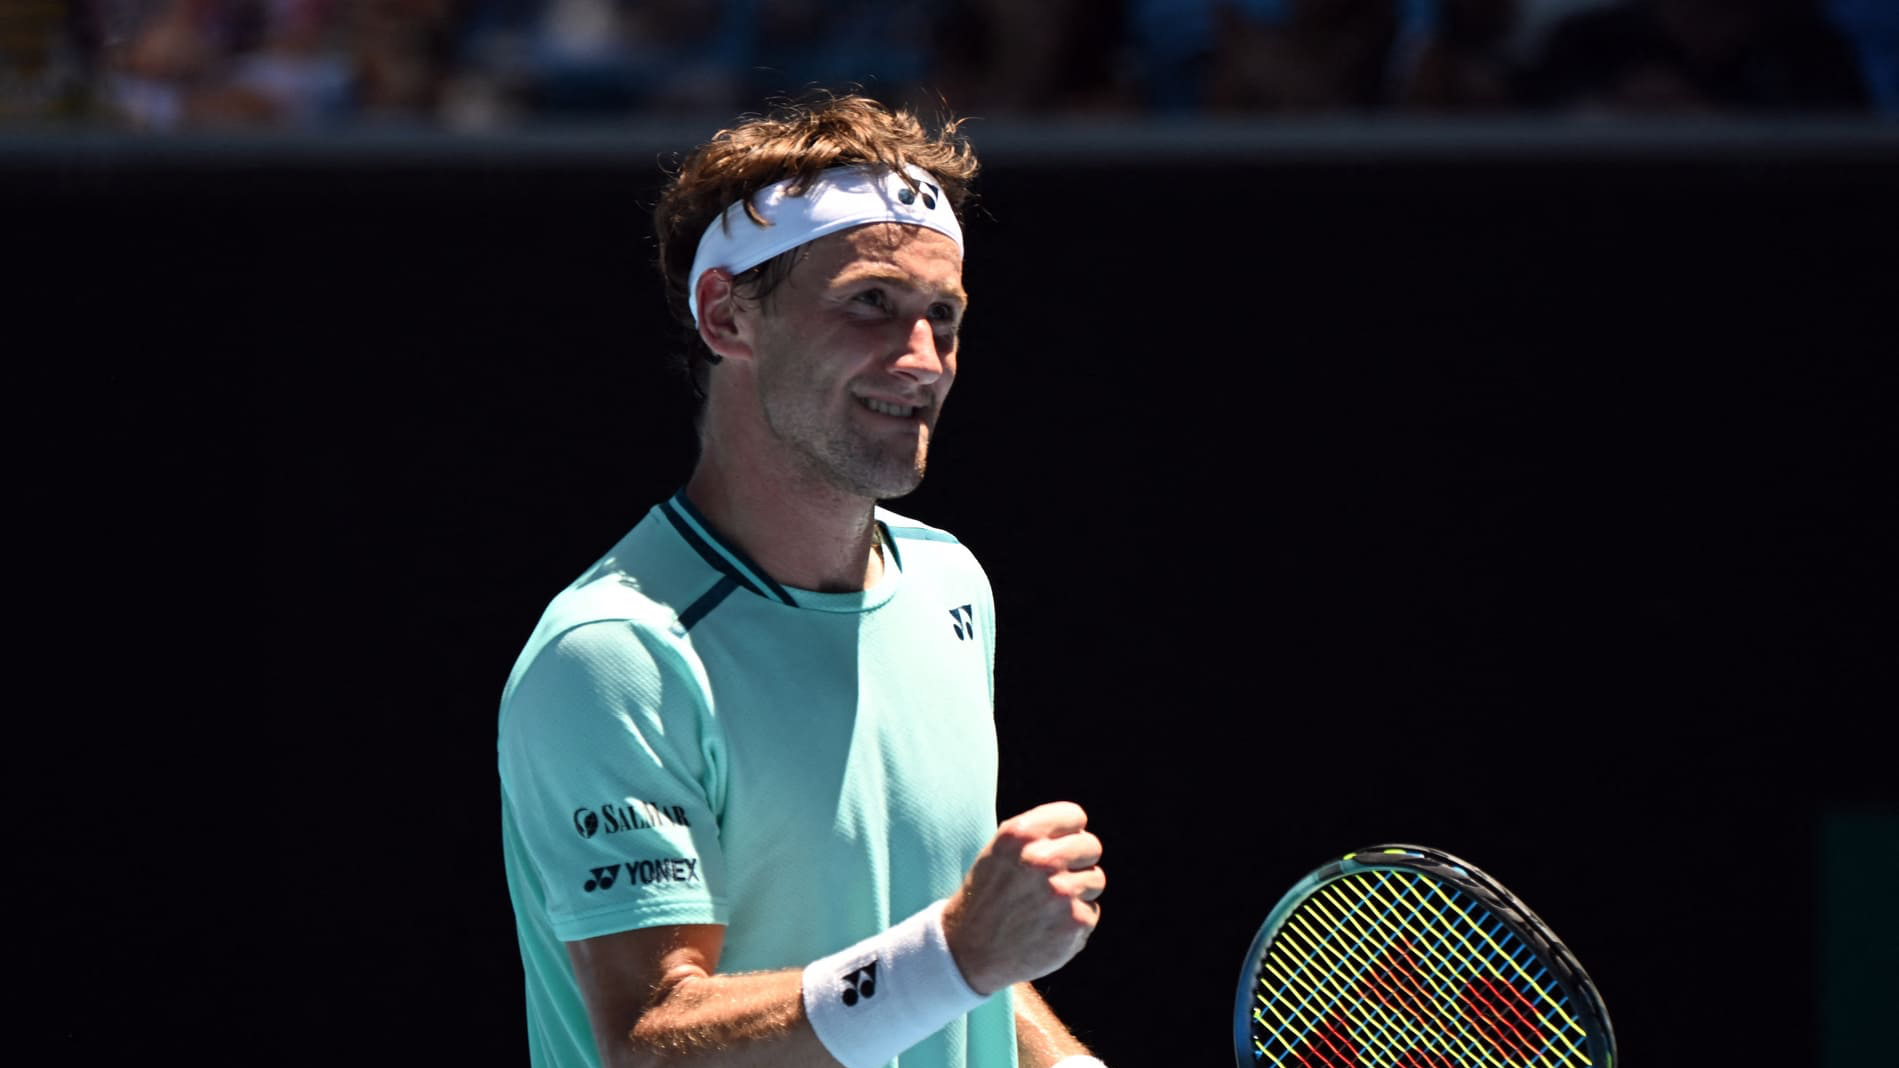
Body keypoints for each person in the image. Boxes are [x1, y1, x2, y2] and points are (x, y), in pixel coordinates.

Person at [496, 94, 1109, 1068]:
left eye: (942, 315)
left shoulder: (950, 587)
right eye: (870, 302)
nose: (922, 361)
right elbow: (651, 1043)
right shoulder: (614, 656)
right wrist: (956, 953)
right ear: (726, 314)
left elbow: (934, 942)